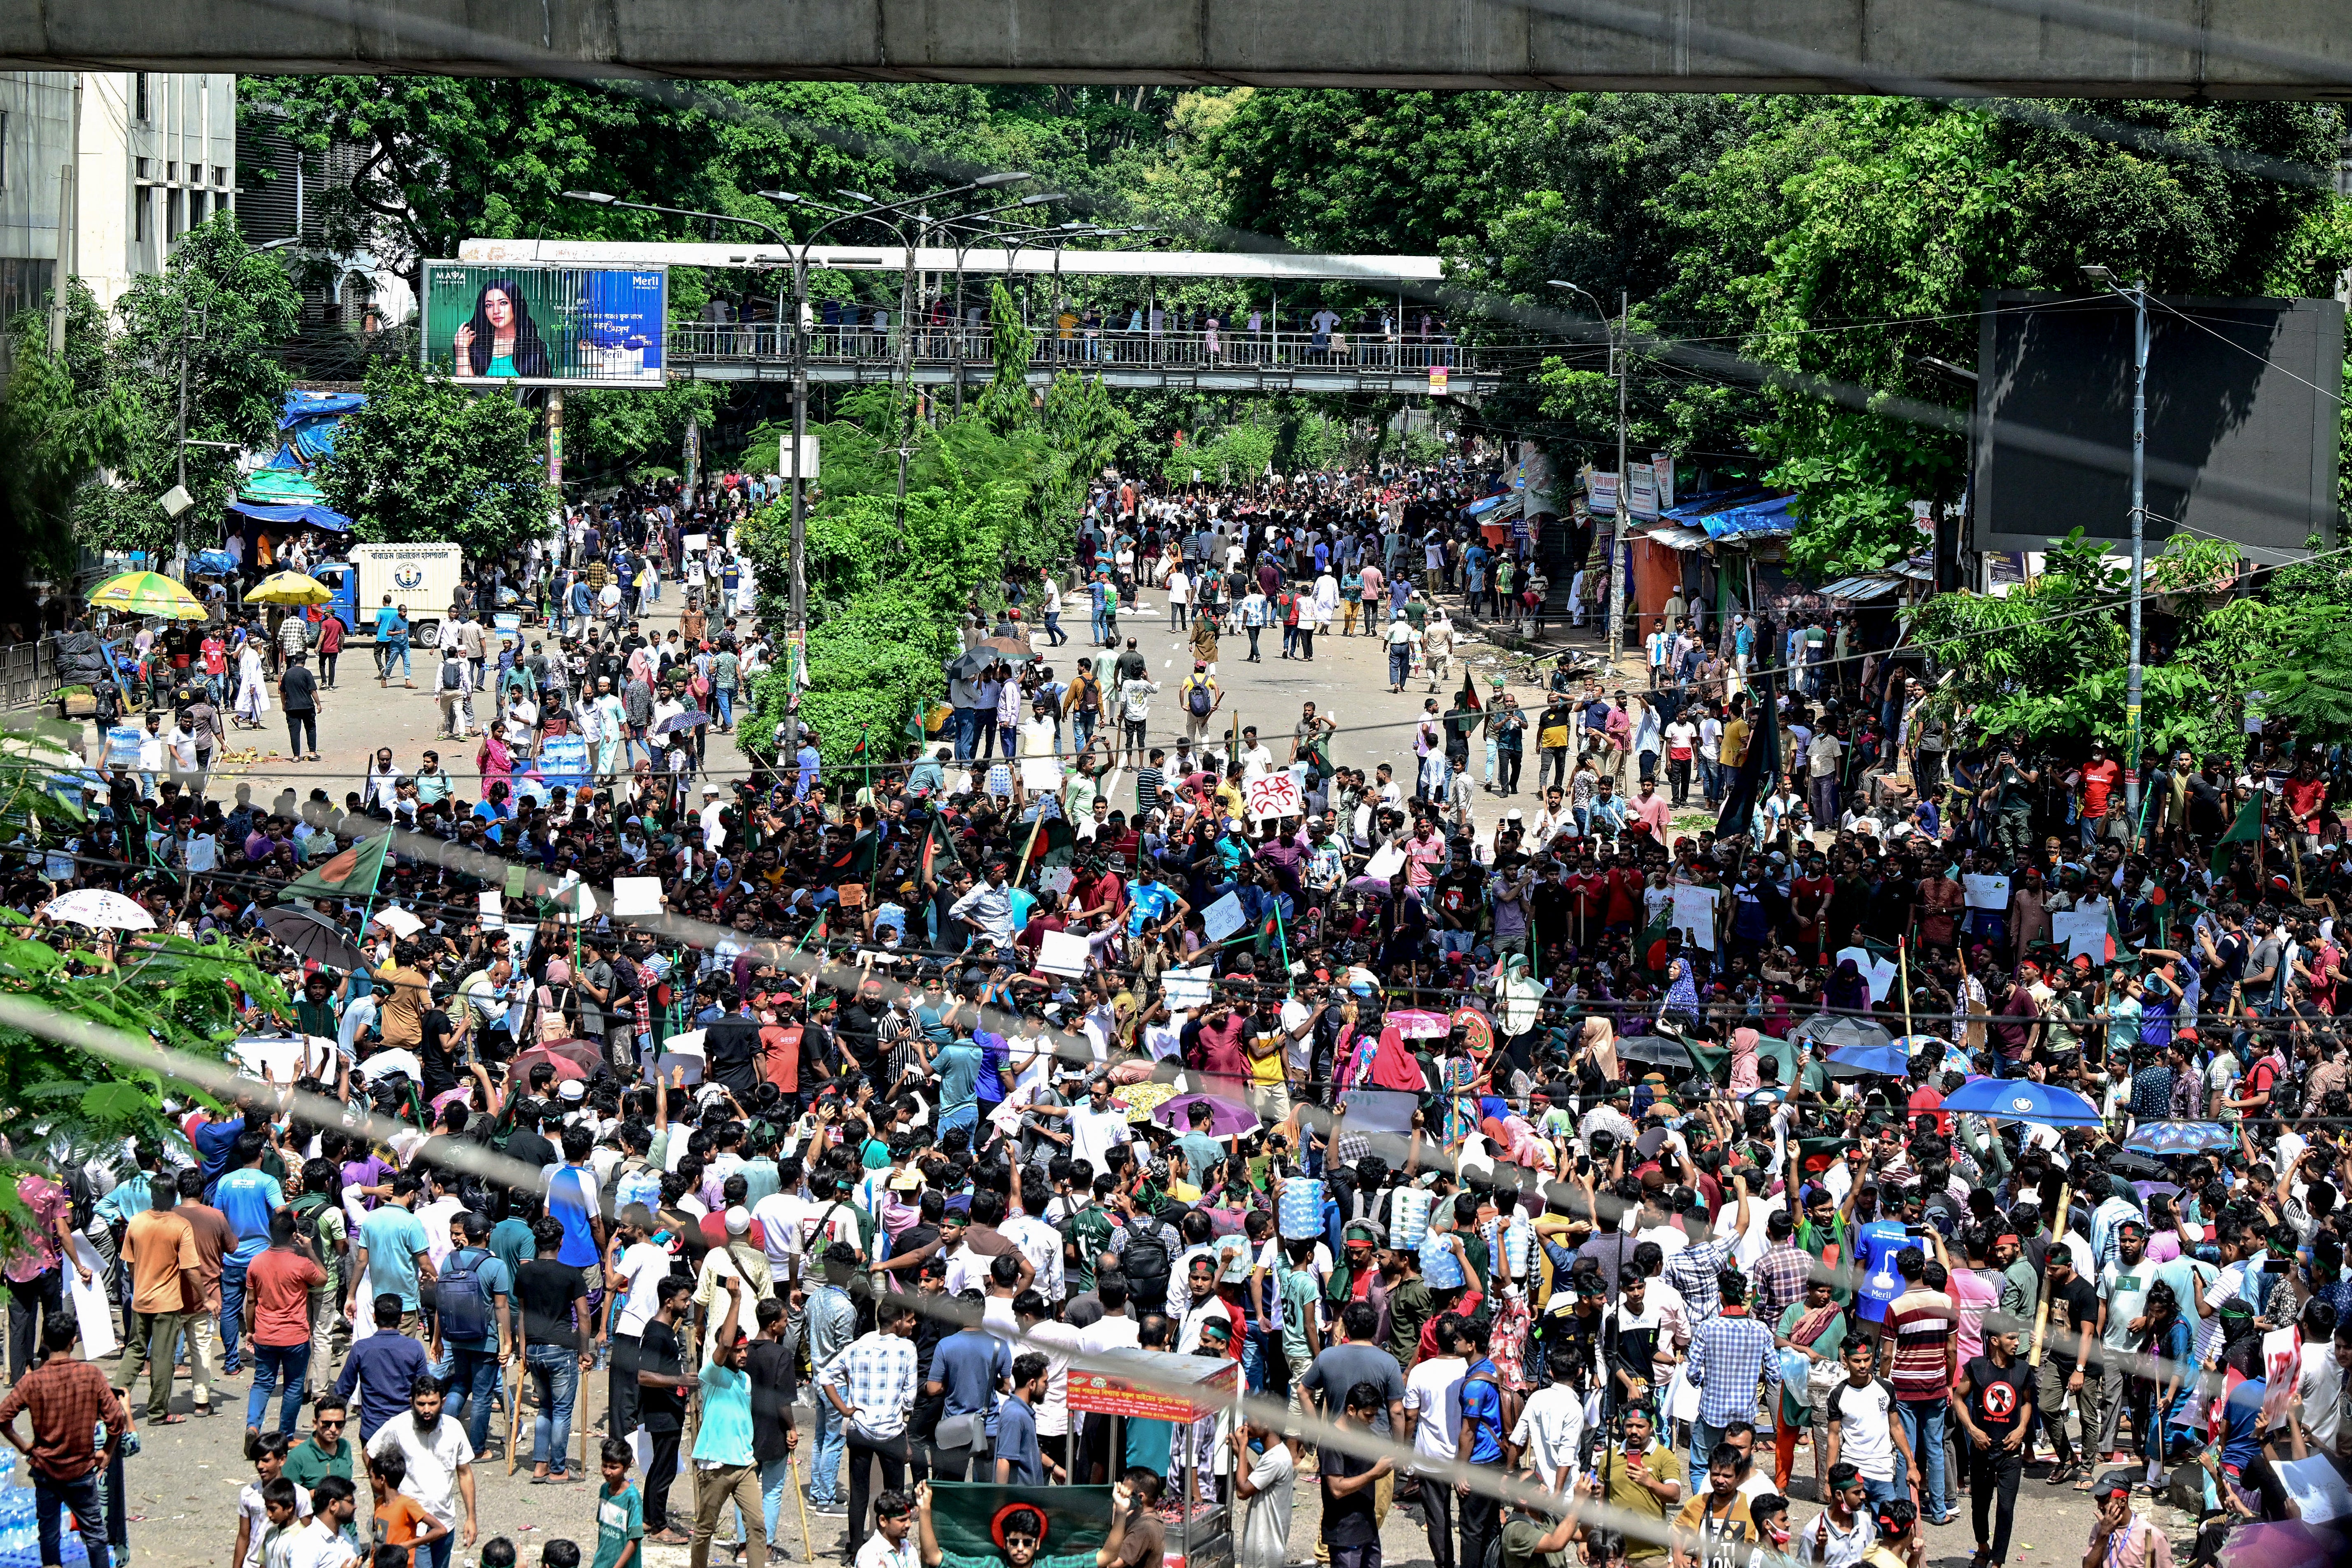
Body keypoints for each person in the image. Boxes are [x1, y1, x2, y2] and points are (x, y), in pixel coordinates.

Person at [0, 1318, 128, 1568]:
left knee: (48, 1534)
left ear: (45, 1341)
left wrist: (24, 1446)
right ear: (74, 1341)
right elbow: (116, 1420)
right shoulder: (91, 1375)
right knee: (95, 1534)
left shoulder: (32, 1381)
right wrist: (107, 1452)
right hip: (80, 1471)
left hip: (46, 1471)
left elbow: (3, 1419)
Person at [364, 1375, 479, 1568]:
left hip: (445, 1522)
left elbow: (465, 1473)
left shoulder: (454, 1429)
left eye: (433, 1404)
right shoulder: (398, 1426)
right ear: (412, 1402)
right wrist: (382, 1496)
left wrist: (471, 1518)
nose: (427, 1410)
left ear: (443, 1402)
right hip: (411, 1528)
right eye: (421, 1404)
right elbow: (370, 1453)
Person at [1951, 1314, 2034, 1568]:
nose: (2017, 1343)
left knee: (2006, 1508)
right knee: (1980, 1505)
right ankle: (1983, 1547)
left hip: (2011, 1451)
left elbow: (2028, 1401)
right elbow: (1958, 1398)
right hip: (1982, 1449)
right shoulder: (1976, 1367)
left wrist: (2021, 1429)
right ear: (1995, 1340)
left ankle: (1998, 1560)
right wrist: (1972, 1429)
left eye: (2018, 1338)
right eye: (2011, 1338)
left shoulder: (2023, 1369)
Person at [1320, 1382, 1394, 1568]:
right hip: (1345, 1534)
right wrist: (1374, 1473)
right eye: (1368, 1415)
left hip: (1368, 1528)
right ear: (1352, 1410)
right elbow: (1336, 1489)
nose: (1372, 1421)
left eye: (1375, 1415)